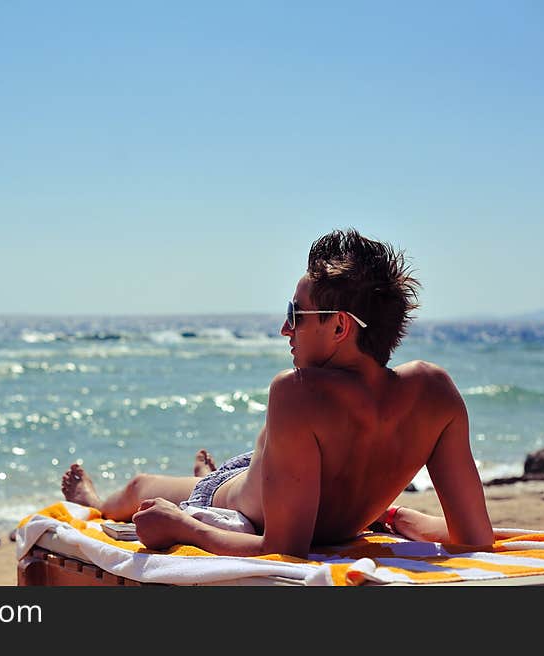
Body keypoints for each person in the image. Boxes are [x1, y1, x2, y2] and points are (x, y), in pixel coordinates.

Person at [61, 228, 494, 558]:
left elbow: (283, 552)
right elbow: (475, 539)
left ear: (340, 326)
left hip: (230, 499)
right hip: (269, 477)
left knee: (141, 487)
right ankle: (204, 474)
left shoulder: (296, 392)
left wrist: (182, 527)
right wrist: (402, 517)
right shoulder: (434, 390)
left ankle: (96, 501)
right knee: (251, 463)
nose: (285, 329)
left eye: (296, 314)